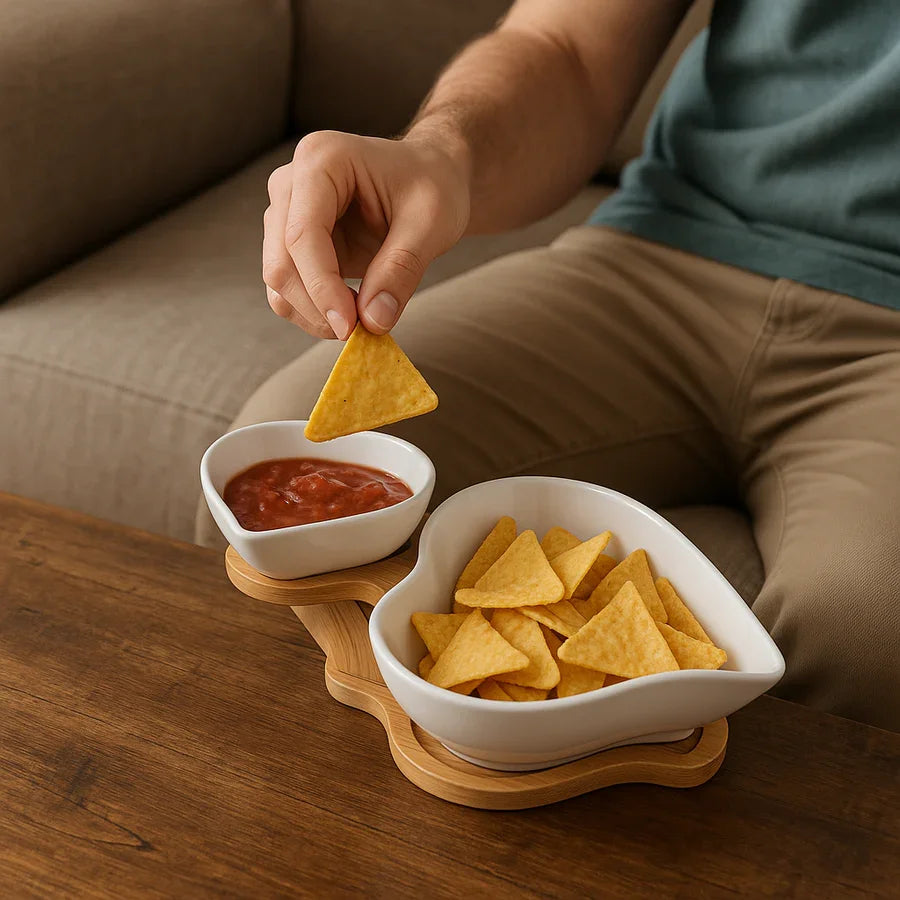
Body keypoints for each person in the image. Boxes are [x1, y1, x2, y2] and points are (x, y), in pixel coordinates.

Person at [231, 1, 900, 729]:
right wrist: (442, 154)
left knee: (866, 630)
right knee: (284, 465)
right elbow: (565, 48)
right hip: (661, 253)